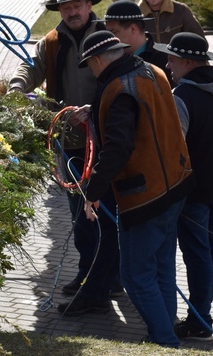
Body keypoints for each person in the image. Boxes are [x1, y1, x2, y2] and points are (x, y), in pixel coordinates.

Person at [7, 0, 121, 313]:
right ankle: (89, 273)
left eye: (78, 5)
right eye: (66, 7)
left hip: (108, 142)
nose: (72, 12)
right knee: (80, 216)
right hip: (70, 144)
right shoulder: (52, 42)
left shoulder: (107, 35)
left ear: (89, 6)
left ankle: (110, 277)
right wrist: (18, 86)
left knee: (107, 213)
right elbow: (30, 67)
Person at [78, 30, 192, 347]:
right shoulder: (150, 71)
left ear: (98, 60)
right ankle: (164, 334)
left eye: (90, 64)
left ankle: (165, 340)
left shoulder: (119, 89)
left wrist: (93, 191)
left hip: (145, 196)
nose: (92, 70)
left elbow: (117, 148)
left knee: (136, 276)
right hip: (175, 184)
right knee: (162, 271)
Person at [153, 32, 213, 340]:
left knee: (197, 255)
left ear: (188, 62)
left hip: (191, 191)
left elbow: (173, 149)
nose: (167, 64)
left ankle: (200, 321)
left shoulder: (181, 97)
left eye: (172, 59)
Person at [98, 0, 169, 81]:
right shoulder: (110, 59)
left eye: (114, 32)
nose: (110, 38)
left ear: (133, 29)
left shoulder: (165, 59)